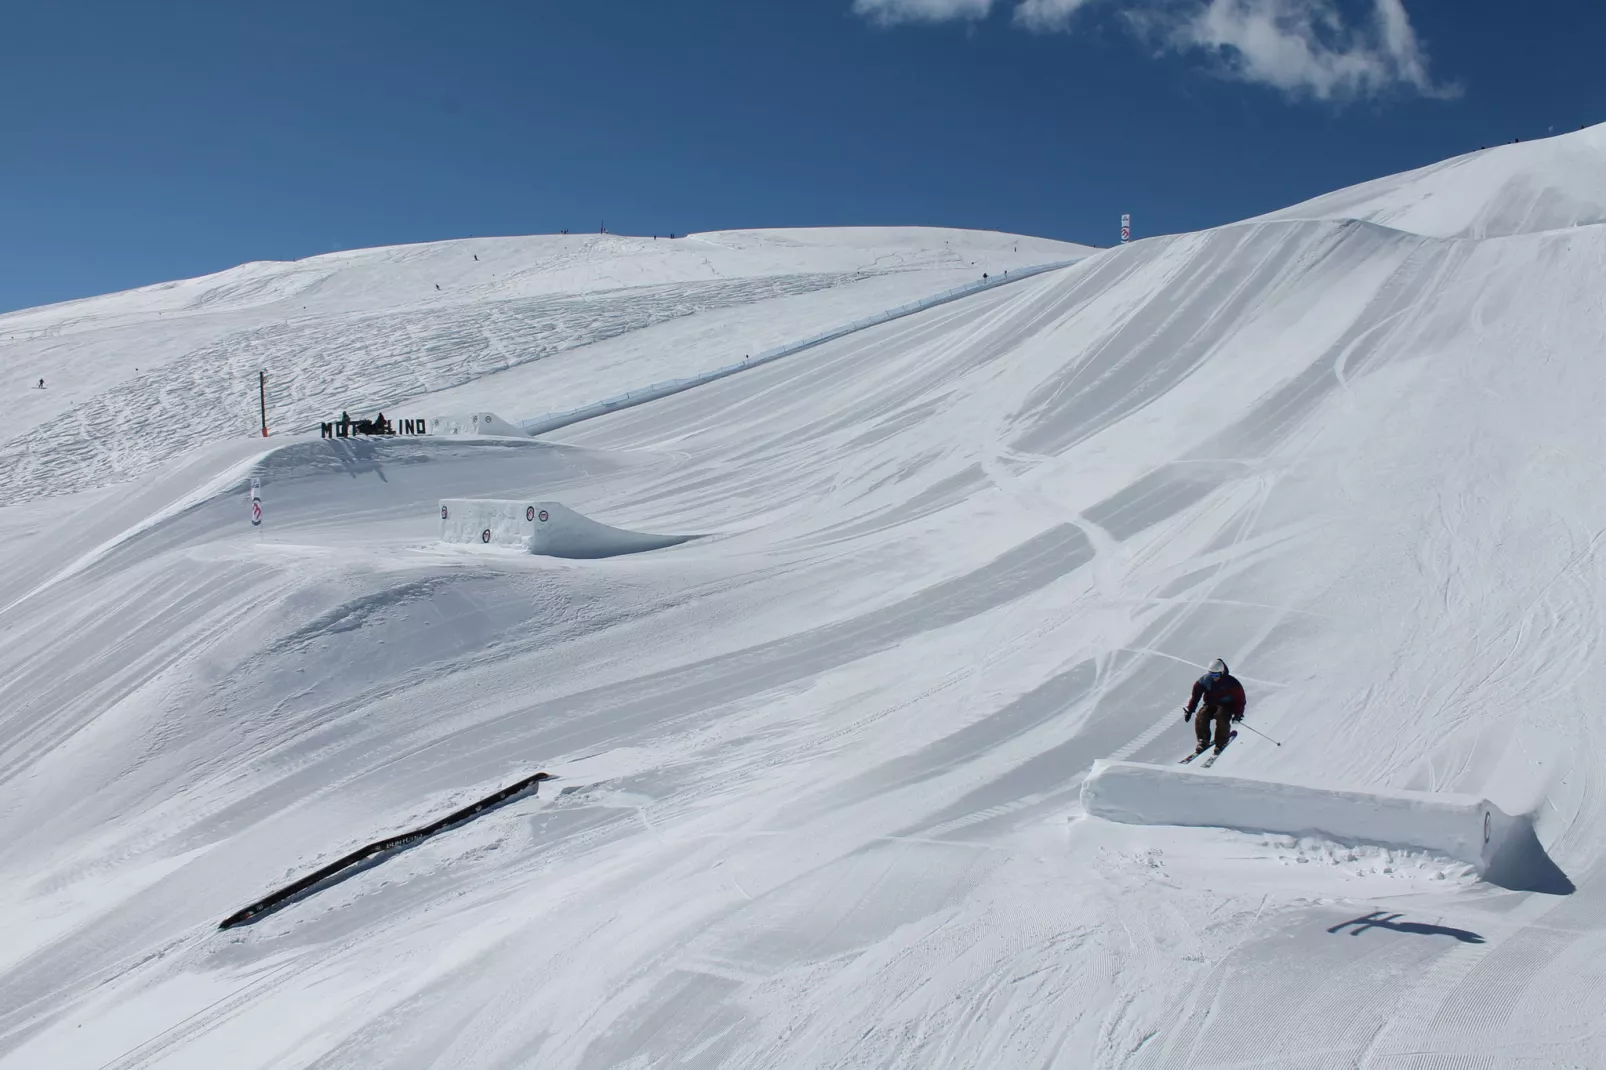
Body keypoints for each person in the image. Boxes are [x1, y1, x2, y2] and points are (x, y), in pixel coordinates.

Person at [1183, 658, 1247, 754]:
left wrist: (1238, 713)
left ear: (1222, 672)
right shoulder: (1205, 680)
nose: (1214, 677)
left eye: (1216, 675)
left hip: (1227, 706)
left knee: (1221, 715)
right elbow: (1195, 696)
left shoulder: (1231, 682)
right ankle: (1203, 740)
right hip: (1211, 704)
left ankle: (1221, 742)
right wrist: (1190, 709)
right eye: (1211, 674)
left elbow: (1240, 699)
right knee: (1202, 715)